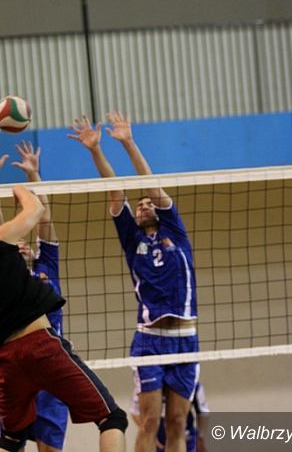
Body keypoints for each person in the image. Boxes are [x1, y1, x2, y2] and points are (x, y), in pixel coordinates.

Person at [0, 185, 127, 452]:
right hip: (41, 346)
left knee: (11, 438)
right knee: (112, 418)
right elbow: (36, 208)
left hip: (6, 360)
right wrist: (19, 188)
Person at [68, 111, 199, 452]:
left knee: (178, 422)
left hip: (186, 338)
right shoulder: (132, 240)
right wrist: (96, 149)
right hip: (149, 340)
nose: (143, 206)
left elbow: (152, 184)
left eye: (148, 203)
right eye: (138, 204)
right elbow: (115, 193)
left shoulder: (176, 232)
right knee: (150, 421)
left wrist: (128, 142)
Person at [0, 139, 68, 452]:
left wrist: (33, 176)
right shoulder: (3, 270)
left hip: (52, 370)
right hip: (15, 372)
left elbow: (44, 218)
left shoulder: (46, 264)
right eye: (14, 242)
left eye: (24, 240)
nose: (22, 243)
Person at [130, 382, 210, 452]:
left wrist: (201, 436)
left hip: (185, 434)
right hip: (159, 436)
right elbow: (134, 412)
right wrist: (149, 432)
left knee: (177, 424)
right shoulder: (145, 384)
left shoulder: (192, 384)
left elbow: (203, 411)